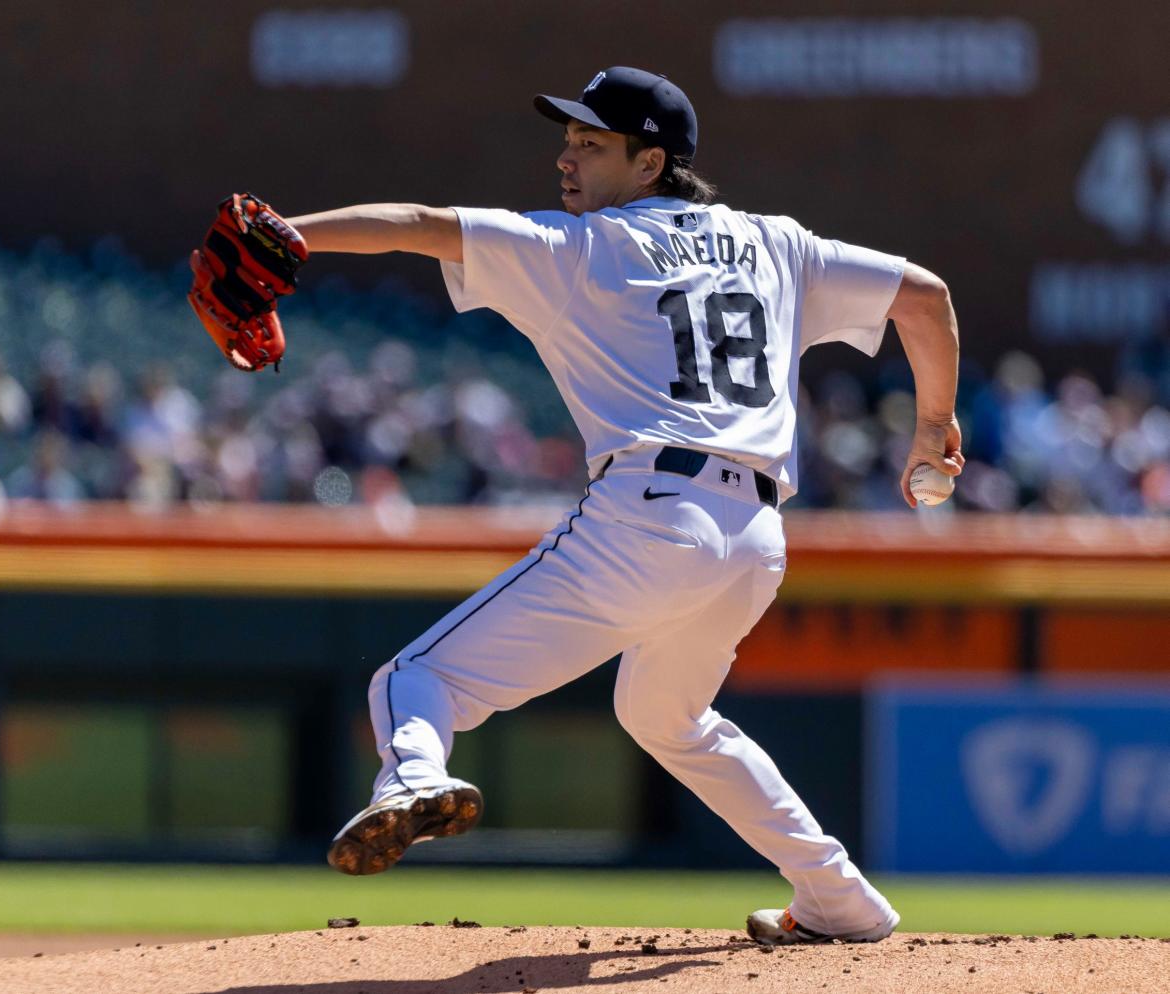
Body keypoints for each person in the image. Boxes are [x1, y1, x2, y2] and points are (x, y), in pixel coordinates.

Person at [286, 66, 963, 945]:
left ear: (650, 163)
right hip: (755, 536)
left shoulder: (583, 248)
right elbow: (928, 297)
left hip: (651, 514)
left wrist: (287, 235)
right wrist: (934, 428)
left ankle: (410, 779)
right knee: (663, 715)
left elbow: (419, 228)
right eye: (568, 138)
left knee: (415, 680)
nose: (567, 158)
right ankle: (836, 894)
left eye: (591, 143)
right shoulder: (775, 244)